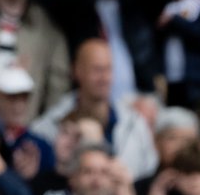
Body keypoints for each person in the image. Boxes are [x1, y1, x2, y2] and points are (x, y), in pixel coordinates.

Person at [31, 39, 158, 181]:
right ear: (77, 71)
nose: (104, 78)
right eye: (97, 70)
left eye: (108, 69)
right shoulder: (50, 124)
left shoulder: (135, 122)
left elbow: (149, 170)